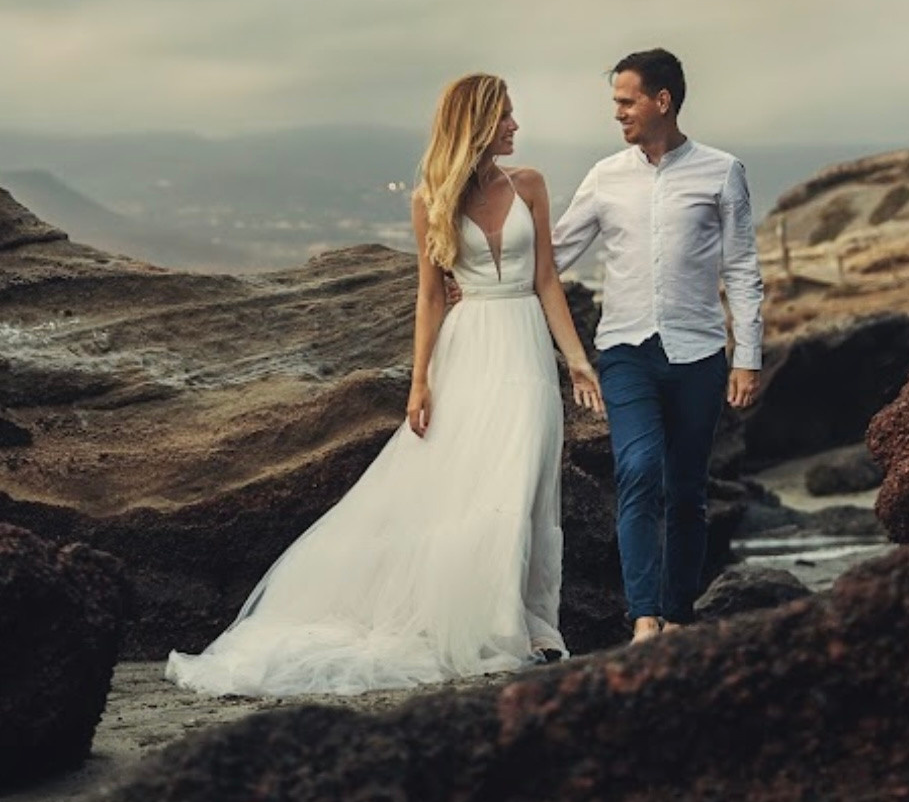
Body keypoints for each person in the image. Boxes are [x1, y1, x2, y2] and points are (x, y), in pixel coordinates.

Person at [166, 73, 603, 698]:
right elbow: (429, 296)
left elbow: (548, 282)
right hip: (469, 346)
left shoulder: (528, 185)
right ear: (476, 124)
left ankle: (528, 622)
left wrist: (577, 361)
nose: (514, 126)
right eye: (505, 117)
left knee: (524, 480)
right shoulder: (431, 198)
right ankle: (494, 627)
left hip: (526, 346)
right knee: (479, 485)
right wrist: (419, 382)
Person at [550, 49, 764, 645]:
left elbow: (743, 267)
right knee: (639, 470)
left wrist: (747, 354)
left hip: (698, 355)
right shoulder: (604, 177)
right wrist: (481, 284)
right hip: (625, 351)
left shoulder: (722, 172)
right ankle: (644, 619)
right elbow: (554, 256)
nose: (617, 113)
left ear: (661, 102)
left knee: (688, 489)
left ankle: (677, 616)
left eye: (626, 101)